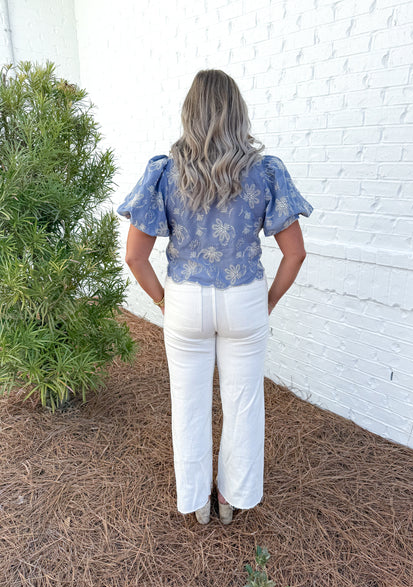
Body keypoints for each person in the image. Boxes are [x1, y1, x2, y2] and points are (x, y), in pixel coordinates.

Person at [116, 69, 313, 525]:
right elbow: (295, 254)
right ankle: (230, 497)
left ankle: (198, 502)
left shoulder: (164, 173)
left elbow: (134, 256)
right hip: (244, 296)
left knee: (187, 402)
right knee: (244, 402)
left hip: (185, 300)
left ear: (190, 113)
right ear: (237, 113)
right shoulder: (265, 172)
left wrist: (164, 301)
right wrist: (268, 302)